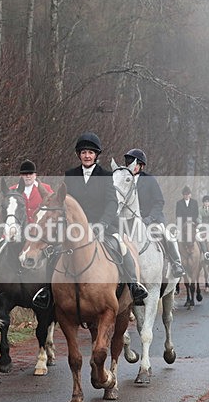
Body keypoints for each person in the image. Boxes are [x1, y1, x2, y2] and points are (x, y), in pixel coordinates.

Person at [32, 132, 148, 308]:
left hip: (103, 225)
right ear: (79, 154)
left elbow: (111, 202)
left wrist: (102, 224)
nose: (87, 156)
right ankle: (47, 291)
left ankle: (133, 286)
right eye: (84, 152)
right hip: (74, 228)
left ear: (96, 155)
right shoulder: (70, 174)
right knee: (55, 250)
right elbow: (64, 201)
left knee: (121, 245)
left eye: (91, 153)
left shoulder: (106, 175)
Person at [122, 148, 185, 278]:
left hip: (150, 219)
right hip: (128, 221)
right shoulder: (123, 180)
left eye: (134, 163)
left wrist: (150, 218)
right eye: (128, 163)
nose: (131, 166)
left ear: (141, 166)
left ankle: (176, 264)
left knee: (166, 234)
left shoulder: (149, 180)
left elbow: (159, 201)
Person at [8, 159, 52, 223]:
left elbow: (54, 209)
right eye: (25, 174)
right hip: (20, 229)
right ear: (20, 175)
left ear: (35, 175)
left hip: (41, 229)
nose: (28, 176)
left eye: (30, 173)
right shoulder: (12, 190)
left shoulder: (46, 189)